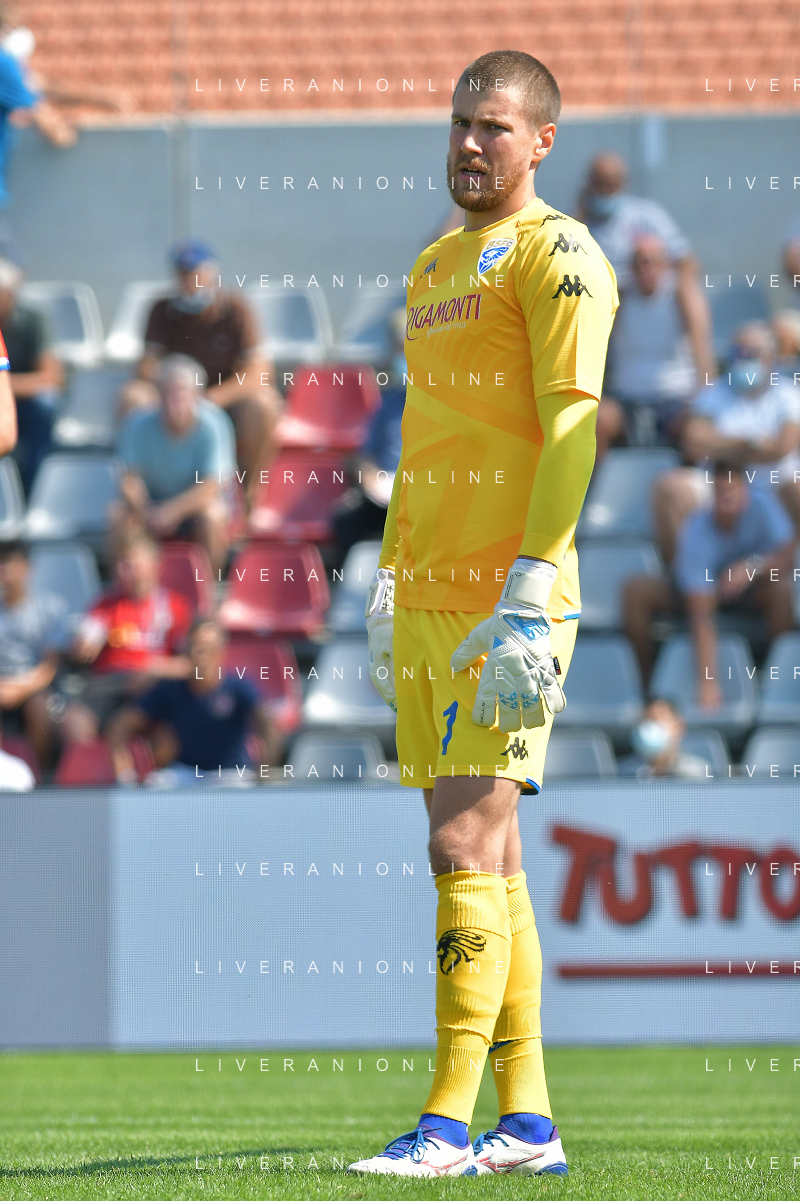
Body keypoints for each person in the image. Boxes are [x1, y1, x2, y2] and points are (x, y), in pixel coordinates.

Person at [351, 51, 617, 1178]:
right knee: (487, 858)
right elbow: (430, 439)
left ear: (542, 140)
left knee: (460, 842)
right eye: (460, 121)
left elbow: (573, 428)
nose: (469, 142)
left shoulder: (561, 255)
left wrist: (529, 589)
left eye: (494, 127)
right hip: (428, 591)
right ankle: (529, 1124)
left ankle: (446, 1126)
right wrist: (388, 577)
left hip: (507, 601)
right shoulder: (434, 264)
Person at [119, 240, 278, 502]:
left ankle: (251, 492)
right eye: (183, 274)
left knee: (264, 404)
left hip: (222, 398)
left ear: (212, 273)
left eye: (195, 273)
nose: (189, 281)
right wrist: (173, 393)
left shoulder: (236, 308)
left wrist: (213, 398)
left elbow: (261, 371)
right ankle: (136, 492)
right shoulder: (161, 310)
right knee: (133, 396)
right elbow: (147, 365)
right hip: (175, 397)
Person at [624, 461, 794, 705]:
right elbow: (701, 611)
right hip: (701, 595)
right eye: (722, 493)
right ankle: (643, 687)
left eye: (733, 492)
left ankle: (779, 678)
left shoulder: (763, 506)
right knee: (635, 590)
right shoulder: (698, 530)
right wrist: (708, 681)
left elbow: (786, 553)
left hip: (751, 591)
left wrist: (751, 567)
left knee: (781, 589)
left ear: (745, 490)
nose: (728, 501)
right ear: (713, 494)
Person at [653, 321, 800, 562]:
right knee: (671, 489)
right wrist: (749, 444)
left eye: (750, 354)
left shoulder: (788, 394)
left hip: (774, 484)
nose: (742, 360)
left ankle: (785, 574)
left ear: (770, 358)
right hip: (718, 483)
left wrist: (720, 446)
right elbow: (693, 442)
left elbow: (782, 448)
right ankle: (688, 576)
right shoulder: (713, 393)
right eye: (736, 353)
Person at [577, 152, 714, 386]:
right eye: (599, 182)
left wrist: (661, 279)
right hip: (607, 296)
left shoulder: (646, 213)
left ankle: (705, 373)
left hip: (648, 287)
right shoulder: (579, 223)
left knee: (688, 290)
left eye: (612, 182)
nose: (606, 189)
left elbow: (687, 261)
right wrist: (579, 211)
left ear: (623, 183)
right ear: (589, 183)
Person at [106, 618, 277, 787]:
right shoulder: (171, 690)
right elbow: (122, 725)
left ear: (220, 652)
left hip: (231, 774)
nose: (199, 656)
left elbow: (268, 725)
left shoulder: (238, 688)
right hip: (184, 773)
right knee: (154, 789)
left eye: (206, 649)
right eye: (193, 648)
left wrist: (263, 771)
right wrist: (125, 777)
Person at [60, 532, 192, 745]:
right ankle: (93, 765)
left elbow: (191, 665)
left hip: (153, 684)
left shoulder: (176, 608)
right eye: (120, 564)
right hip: (108, 682)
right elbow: (83, 644)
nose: (122, 570)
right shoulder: (105, 605)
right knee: (74, 720)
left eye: (130, 564)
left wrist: (154, 668)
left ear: (154, 566)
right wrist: (83, 646)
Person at [114, 354, 235, 574]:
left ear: (196, 395)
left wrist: (172, 512)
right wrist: (145, 510)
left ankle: (207, 586)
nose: (173, 400)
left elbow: (212, 485)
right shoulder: (137, 424)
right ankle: (128, 588)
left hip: (194, 508)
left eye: (180, 392)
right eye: (167, 392)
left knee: (213, 515)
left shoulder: (214, 425)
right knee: (117, 517)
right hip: (151, 506)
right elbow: (129, 479)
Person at [596, 234, 701, 459]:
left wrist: (703, 394)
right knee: (596, 421)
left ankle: (692, 480)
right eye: (639, 262)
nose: (645, 268)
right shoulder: (620, 297)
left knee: (698, 430)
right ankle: (588, 482)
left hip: (676, 402)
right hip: (626, 403)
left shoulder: (681, 295)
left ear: (665, 264)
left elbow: (702, 348)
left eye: (652, 261)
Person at [333, 308, 406, 556]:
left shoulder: (446, 406)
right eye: (399, 349)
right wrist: (367, 473)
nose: (403, 357)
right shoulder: (388, 403)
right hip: (385, 496)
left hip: (424, 494)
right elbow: (364, 454)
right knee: (347, 521)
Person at [0, 538, 67, 768]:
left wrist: (17, 690)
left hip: (35, 688)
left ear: (26, 568)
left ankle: (37, 775)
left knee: (39, 707)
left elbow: (49, 667)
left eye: (9, 563)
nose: (4, 571)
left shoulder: (50, 608)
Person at [0, 256, 62, 493]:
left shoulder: (33, 321)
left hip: (24, 403)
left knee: (45, 405)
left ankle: (35, 488)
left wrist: (6, 387)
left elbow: (50, 378)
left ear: (10, 294)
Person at [619, 698, 707, 779]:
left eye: (660, 721)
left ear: (680, 727)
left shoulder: (697, 774)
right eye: (648, 720)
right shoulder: (624, 774)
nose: (652, 727)